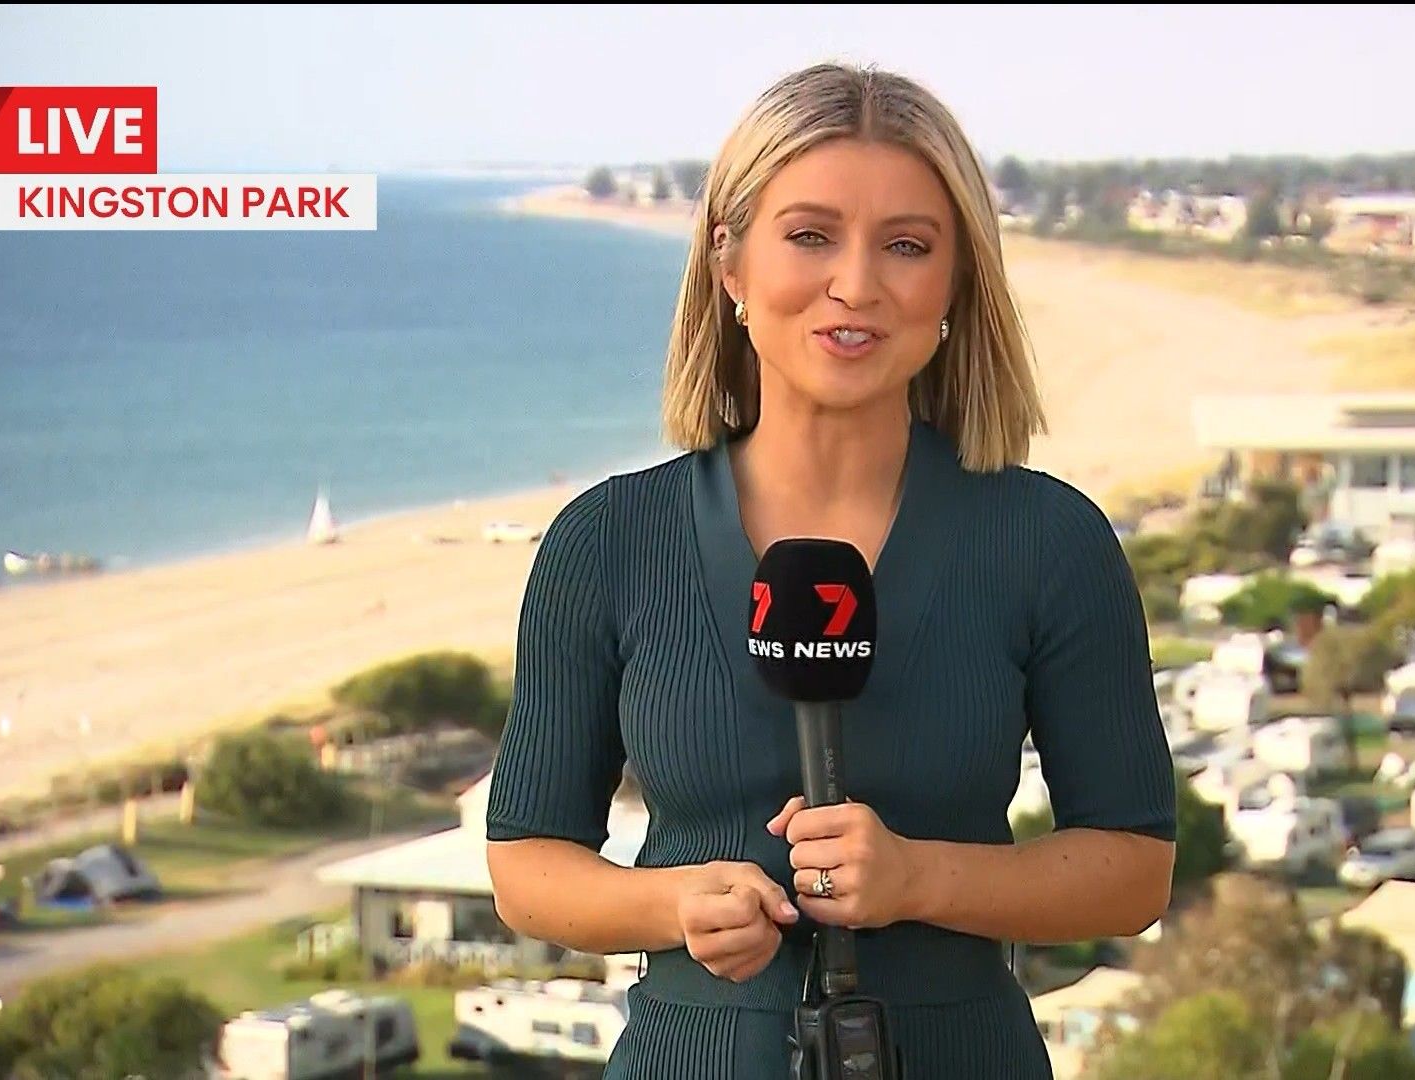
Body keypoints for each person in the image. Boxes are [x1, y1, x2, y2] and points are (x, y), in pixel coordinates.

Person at [485, 62, 1178, 1079]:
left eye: (907, 246)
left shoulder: (1048, 540)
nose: (856, 284)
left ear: (955, 283)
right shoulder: (608, 540)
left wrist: (919, 879)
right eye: (811, 236)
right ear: (729, 264)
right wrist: (671, 902)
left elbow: (1133, 871)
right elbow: (525, 864)